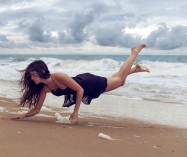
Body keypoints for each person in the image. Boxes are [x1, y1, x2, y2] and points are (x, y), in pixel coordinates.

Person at [10, 44, 149, 123]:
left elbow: (80, 91)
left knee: (120, 80)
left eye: (34, 75)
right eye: (31, 76)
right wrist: (23, 115)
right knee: (115, 80)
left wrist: (75, 112)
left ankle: (134, 52)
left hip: (88, 83)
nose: (32, 78)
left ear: (42, 71)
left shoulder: (59, 76)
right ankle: (134, 69)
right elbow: (37, 109)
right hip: (84, 84)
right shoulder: (44, 88)